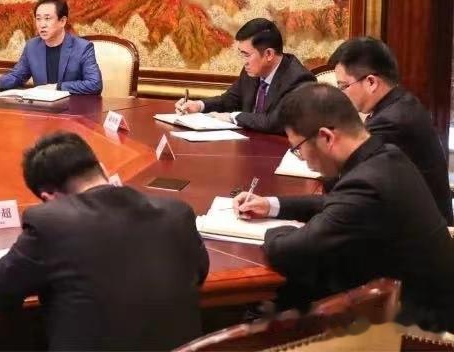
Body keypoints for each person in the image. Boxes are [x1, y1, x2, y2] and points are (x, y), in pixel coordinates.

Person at [0, 132, 208, 351]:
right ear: (103, 169)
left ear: (49, 198)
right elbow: (199, 272)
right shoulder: (177, 213)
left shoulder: (48, 224)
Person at [235, 83, 454, 331]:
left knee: (269, 308)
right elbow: (335, 203)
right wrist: (272, 206)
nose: (302, 157)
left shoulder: (366, 184)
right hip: (411, 299)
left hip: (414, 331)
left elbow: (288, 251)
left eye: (297, 148)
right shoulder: (387, 155)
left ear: (326, 137)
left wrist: (272, 231)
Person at [327, 37, 452, 224]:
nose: (341, 95)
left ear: (371, 82)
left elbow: (343, 183)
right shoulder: (400, 102)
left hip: (417, 231)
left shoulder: (391, 122)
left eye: (343, 86)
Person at [175, 18, 314, 133]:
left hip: (277, 152)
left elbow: (274, 121)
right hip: (249, 146)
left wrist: (232, 117)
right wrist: (199, 106)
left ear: (269, 54)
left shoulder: (299, 80)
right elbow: (230, 99)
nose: (244, 61)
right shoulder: (252, 70)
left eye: (246, 55)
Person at [0, 0, 102, 95]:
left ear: (62, 21)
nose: (42, 25)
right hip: (42, 110)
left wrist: (57, 87)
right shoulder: (32, 46)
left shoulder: (83, 48)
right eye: (38, 19)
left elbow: (95, 84)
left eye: (47, 18)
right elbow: (17, 76)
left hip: (72, 111)